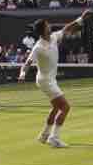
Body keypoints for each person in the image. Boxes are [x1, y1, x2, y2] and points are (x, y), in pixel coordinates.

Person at [18, 10, 89, 148]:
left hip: (49, 79)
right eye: (47, 26)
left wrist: (80, 18)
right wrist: (22, 74)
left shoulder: (54, 37)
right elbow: (27, 63)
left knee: (57, 107)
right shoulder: (38, 47)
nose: (49, 26)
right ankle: (54, 138)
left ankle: (44, 135)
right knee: (65, 107)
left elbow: (67, 28)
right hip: (45, 81)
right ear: (42, 30)